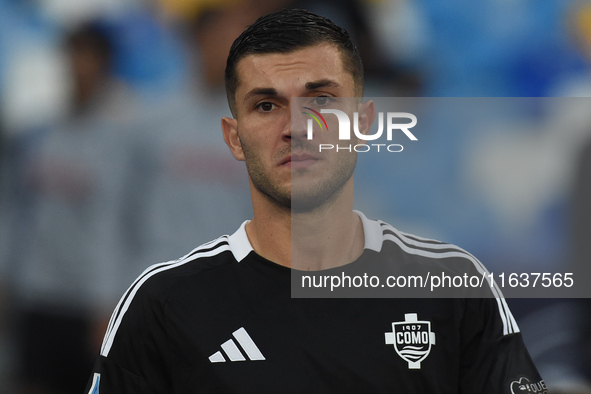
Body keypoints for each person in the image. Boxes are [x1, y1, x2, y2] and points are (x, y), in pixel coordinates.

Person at [85, 9, 545, 393]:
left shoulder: (453, 287)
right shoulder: (161, 305)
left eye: (321, 101)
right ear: (234, 137)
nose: (296, 126)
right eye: (266, 106)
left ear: (363, 124)